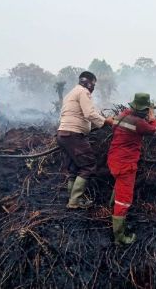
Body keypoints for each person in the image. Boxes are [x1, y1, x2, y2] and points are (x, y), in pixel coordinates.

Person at [57, 71, 114, 209]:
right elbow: (89, 113)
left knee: (73, 167)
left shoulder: (70, 93)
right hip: (74, 134)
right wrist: (106, 121)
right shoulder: (83, 92)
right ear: (88, 83)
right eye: (93, 84)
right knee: (88, 165)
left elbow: (79, 115)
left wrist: (96, 124)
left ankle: (72, 198)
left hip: (63, 134)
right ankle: (75, 201)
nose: (93, 87)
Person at [107, 93, 156, 245]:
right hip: (126, 165)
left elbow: (113, 122)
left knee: (119, 186)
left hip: (113, 159)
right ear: (144, 109)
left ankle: (112, 210)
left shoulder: (122, 115)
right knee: (124, 200)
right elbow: (154, 130)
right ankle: (120, 237)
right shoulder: (139, 123)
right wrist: (153, 116)